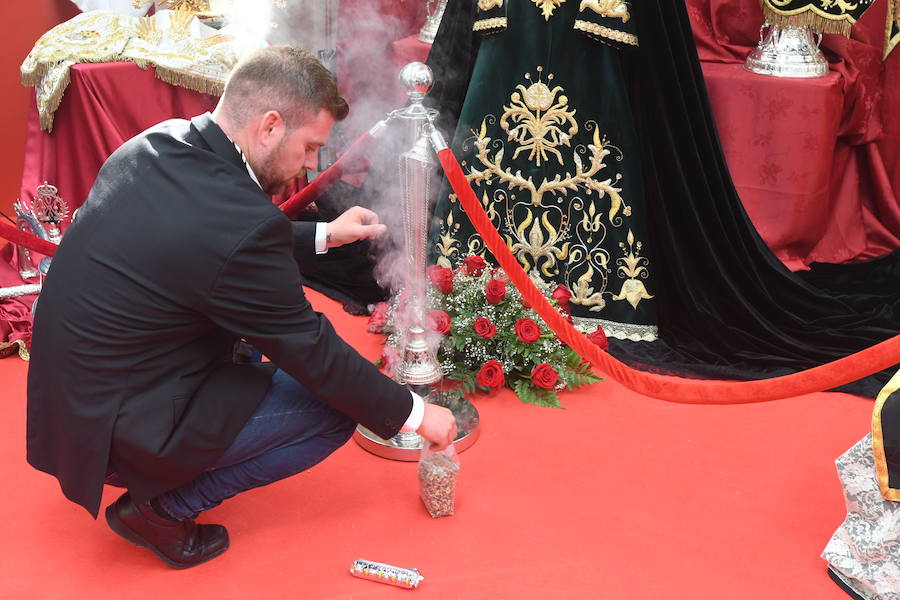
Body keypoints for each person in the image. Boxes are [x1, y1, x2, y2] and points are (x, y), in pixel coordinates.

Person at [25, 45, 457, 569]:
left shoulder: (154, 144)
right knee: (333, 409)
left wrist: (322, 233)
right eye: (310, 146)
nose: (312, 164)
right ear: (270, 126)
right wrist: (415, 414)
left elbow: (200, 238)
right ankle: (159, 509)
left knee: (251, 351)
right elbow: (311, 351)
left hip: (74, 408)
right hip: (123, 424)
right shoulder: (237, 225)